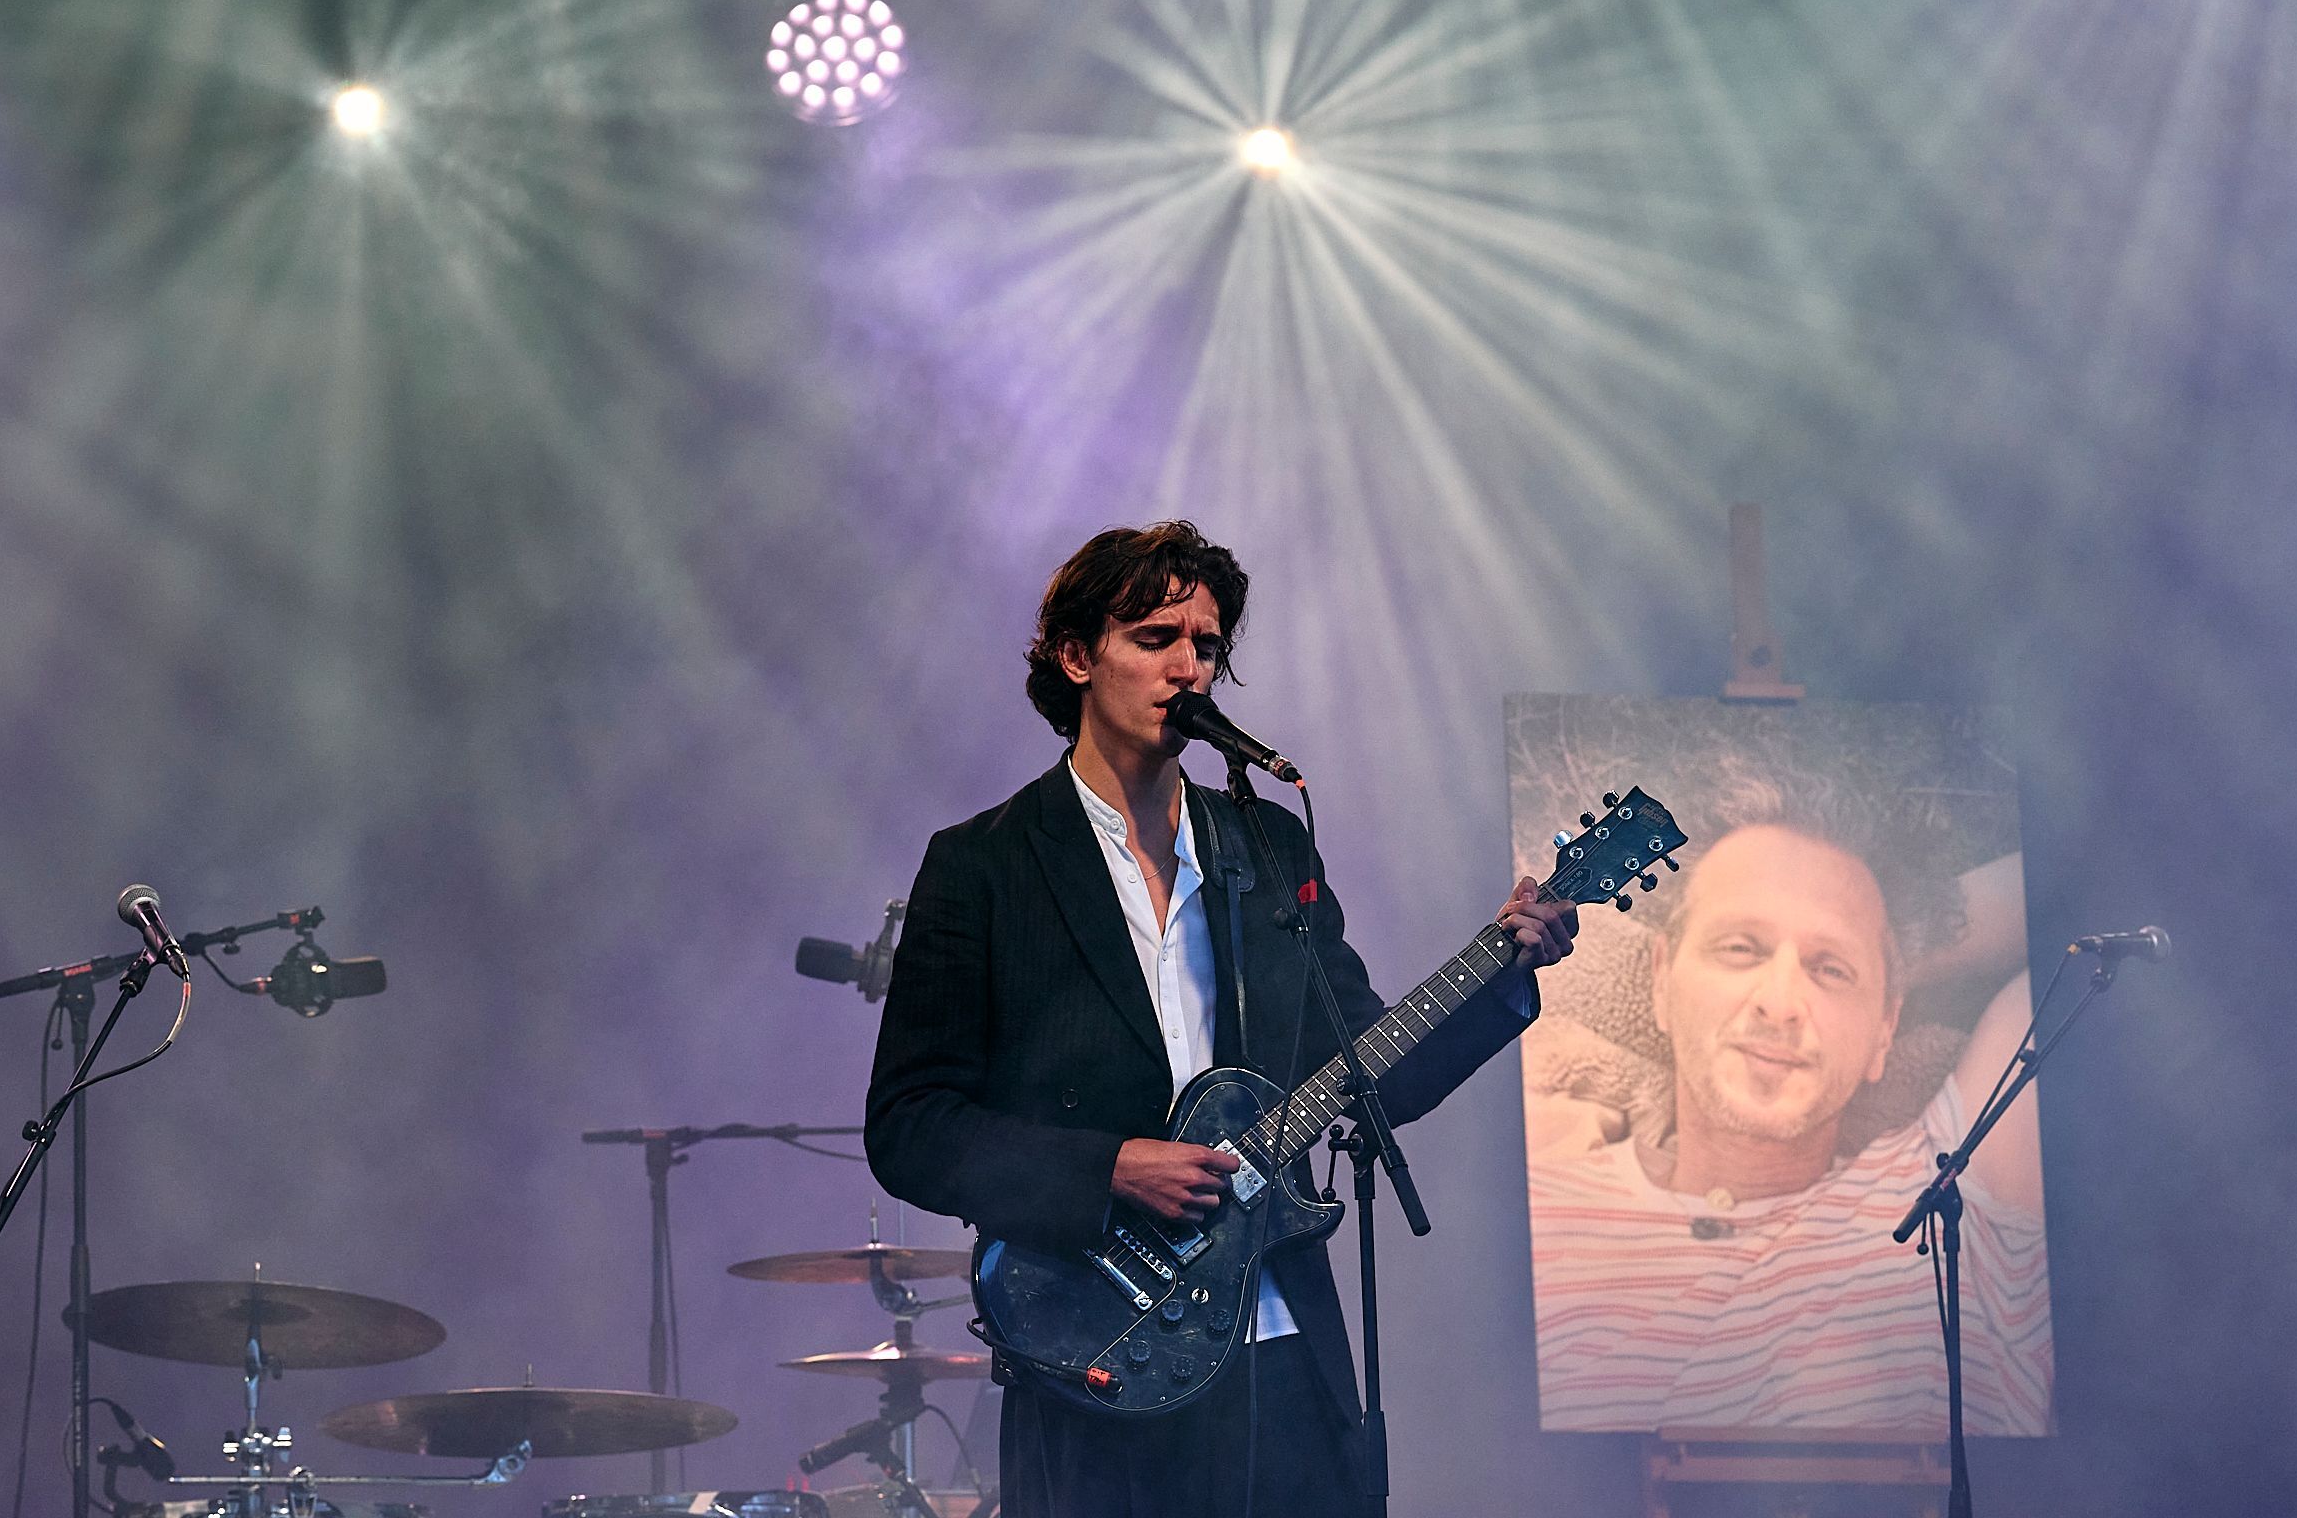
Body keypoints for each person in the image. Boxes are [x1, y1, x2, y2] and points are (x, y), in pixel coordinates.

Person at [866, 522, 1578, 1518]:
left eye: (1205, 644)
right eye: (1155, 637)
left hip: (1278, 1347)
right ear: (1075, 656)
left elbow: (1375, 1072)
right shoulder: (985, 865)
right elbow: (911, 1127)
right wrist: (1108, 1167)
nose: (1188, 667)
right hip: (1098, 1354)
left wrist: (1501, 972)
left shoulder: (1265, 846)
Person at [1524, 800, 2052, 1434]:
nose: (1780, 1003)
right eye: (1740, 947)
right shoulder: (1537, 1204)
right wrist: (1854, 955)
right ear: (1662, 981)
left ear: (1886, 1027)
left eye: (1830, 970)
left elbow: (2093, 896)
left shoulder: (1956, 1196)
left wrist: (1890, 945)